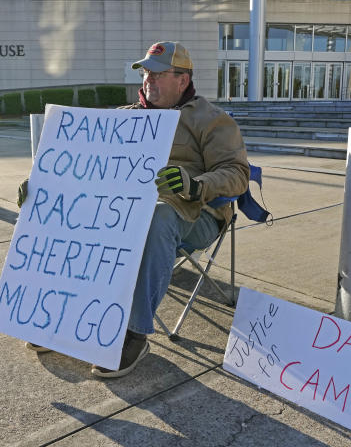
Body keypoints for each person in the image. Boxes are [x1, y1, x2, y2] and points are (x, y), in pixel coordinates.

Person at [20, 41, 250, 378]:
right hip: (126, 214)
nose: (148, 81)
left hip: (194, 213)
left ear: (183, 80)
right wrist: (44, 184)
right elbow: (82, 168)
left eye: (157, 74)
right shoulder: (122, 120)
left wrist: (195, 184)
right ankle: (64, 316)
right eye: (145, 73)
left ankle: (134, 333)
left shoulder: (212, 120)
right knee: (75, 208)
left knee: (158, 214)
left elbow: (237, 173)